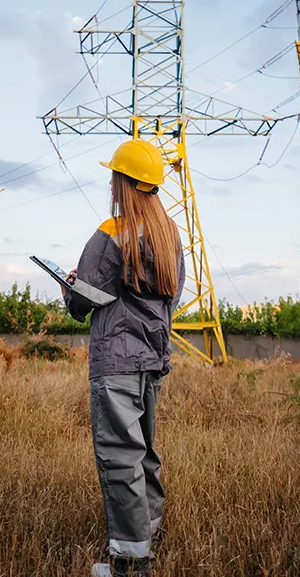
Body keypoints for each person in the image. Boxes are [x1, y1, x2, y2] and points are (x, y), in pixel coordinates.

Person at [62, 139, 185, 577]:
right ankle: (149, 534)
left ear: (123, 181)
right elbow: (169, 299)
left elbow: (83, 304)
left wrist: (70, 285)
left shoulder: (113, 232)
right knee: (145, 454)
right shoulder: (170, 234)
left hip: (116, 361)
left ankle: (132, 563)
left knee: (119, 457)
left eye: (114, 175)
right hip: (152, 360)